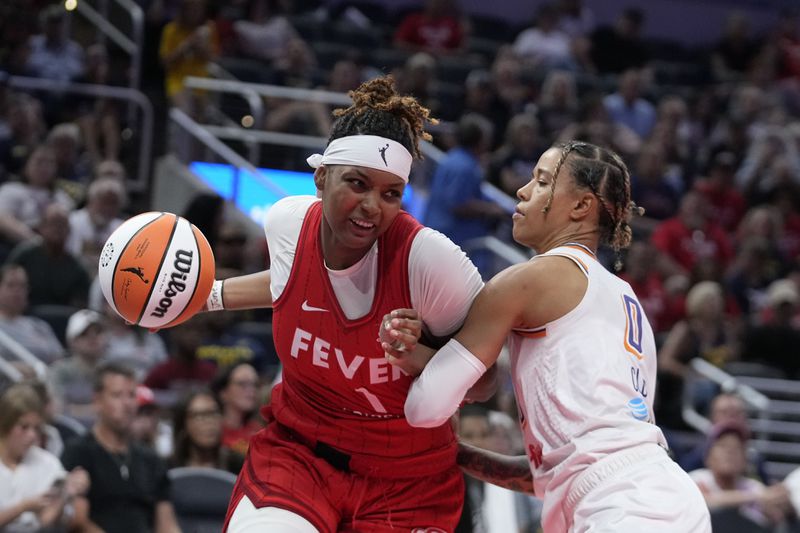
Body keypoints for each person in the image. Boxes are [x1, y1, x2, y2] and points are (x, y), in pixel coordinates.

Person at [199, 76, 486, 532]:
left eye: (391, 193)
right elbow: (291, 282)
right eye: (357, 183)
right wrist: (207, 295)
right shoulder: (287, 223)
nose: (372, 205)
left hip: (408, 483)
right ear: (320, 178)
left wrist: (416, 357)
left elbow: (486, 381)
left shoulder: (431, 261)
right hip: (300, 457)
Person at [384, 140, 711, 531]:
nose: (522, 191)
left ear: (580, 207)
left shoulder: (529, 280)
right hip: (667, 495)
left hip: (621, 508)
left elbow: (426, 407)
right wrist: (455, 454)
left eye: (541, 181)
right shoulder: (626, 298)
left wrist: (409, 357)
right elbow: (552, 473)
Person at [61, 361, 181, 533]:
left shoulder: (151, 459)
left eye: (132, 395)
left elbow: (167, 525)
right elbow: (78, 523)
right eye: (117, 395)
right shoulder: (79, 452)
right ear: (97, 401)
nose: (127, 404)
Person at [0, 382, 89, 532]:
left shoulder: (48, 463)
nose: (32, 435)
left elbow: (46, 521)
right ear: (5, 424)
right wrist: (23, 507)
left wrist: (67, 494)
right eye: (24, 427)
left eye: (36, 428)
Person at [170, 389, 244, 474]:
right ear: (183, 425)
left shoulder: (238, 465)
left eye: (214, 413)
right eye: (199, 415)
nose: (209, 421)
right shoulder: (169, 468)